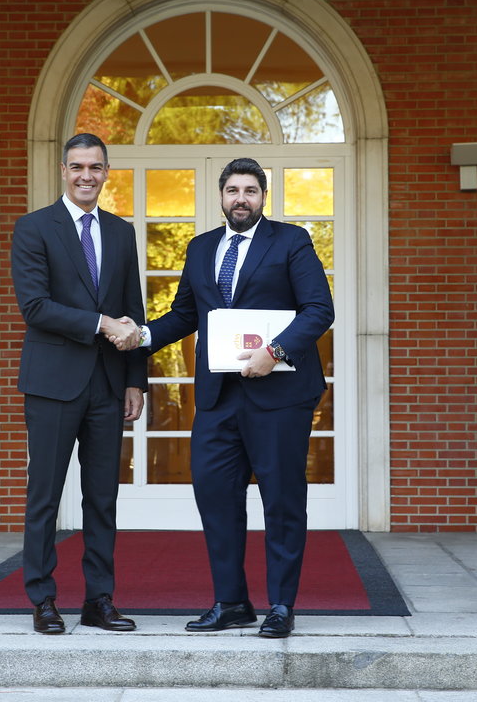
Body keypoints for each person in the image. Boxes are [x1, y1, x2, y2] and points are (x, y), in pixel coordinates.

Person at [138, 157, 334, 639]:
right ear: (221, 197)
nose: (241, 198)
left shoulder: (291, 241)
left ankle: (282, 605)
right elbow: (185, 314)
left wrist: (276, 351)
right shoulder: (201, 247)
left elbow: (318, 309)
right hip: (218, 396)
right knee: (215, 497)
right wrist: (141, 335)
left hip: (279, 394)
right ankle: (231, 603)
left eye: (250, 190)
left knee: (282, 500)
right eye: (232, 190)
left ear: (263, 197)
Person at [11, 133, 145, 634]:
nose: (86, 175)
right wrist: (101, 325)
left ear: (106, 171)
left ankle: (99, 600)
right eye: (77, 167)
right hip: (52, 383)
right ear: (63, 171)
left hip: (109, 385)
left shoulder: (121, 231)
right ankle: (43, 599)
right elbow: (35, 306)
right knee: (44, 494)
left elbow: (135, 308)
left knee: (102, 498)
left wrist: (136, 380)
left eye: (95, 167)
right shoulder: (33, 228)